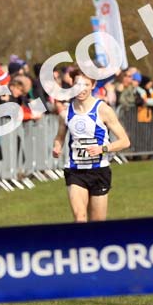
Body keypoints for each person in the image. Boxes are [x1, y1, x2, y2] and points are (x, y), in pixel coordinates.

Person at [52, 69, 130, 223]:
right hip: (75, 171)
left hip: (99, 171)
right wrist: (56, 147)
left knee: (97, 225)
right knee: (79, 217)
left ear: (93, 85)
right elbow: (59, 137)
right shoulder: (66, 113)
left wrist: (103, 149)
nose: (81, 88)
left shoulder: (103, 110)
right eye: (77, 84)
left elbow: (125, 141)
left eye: (86, 84)